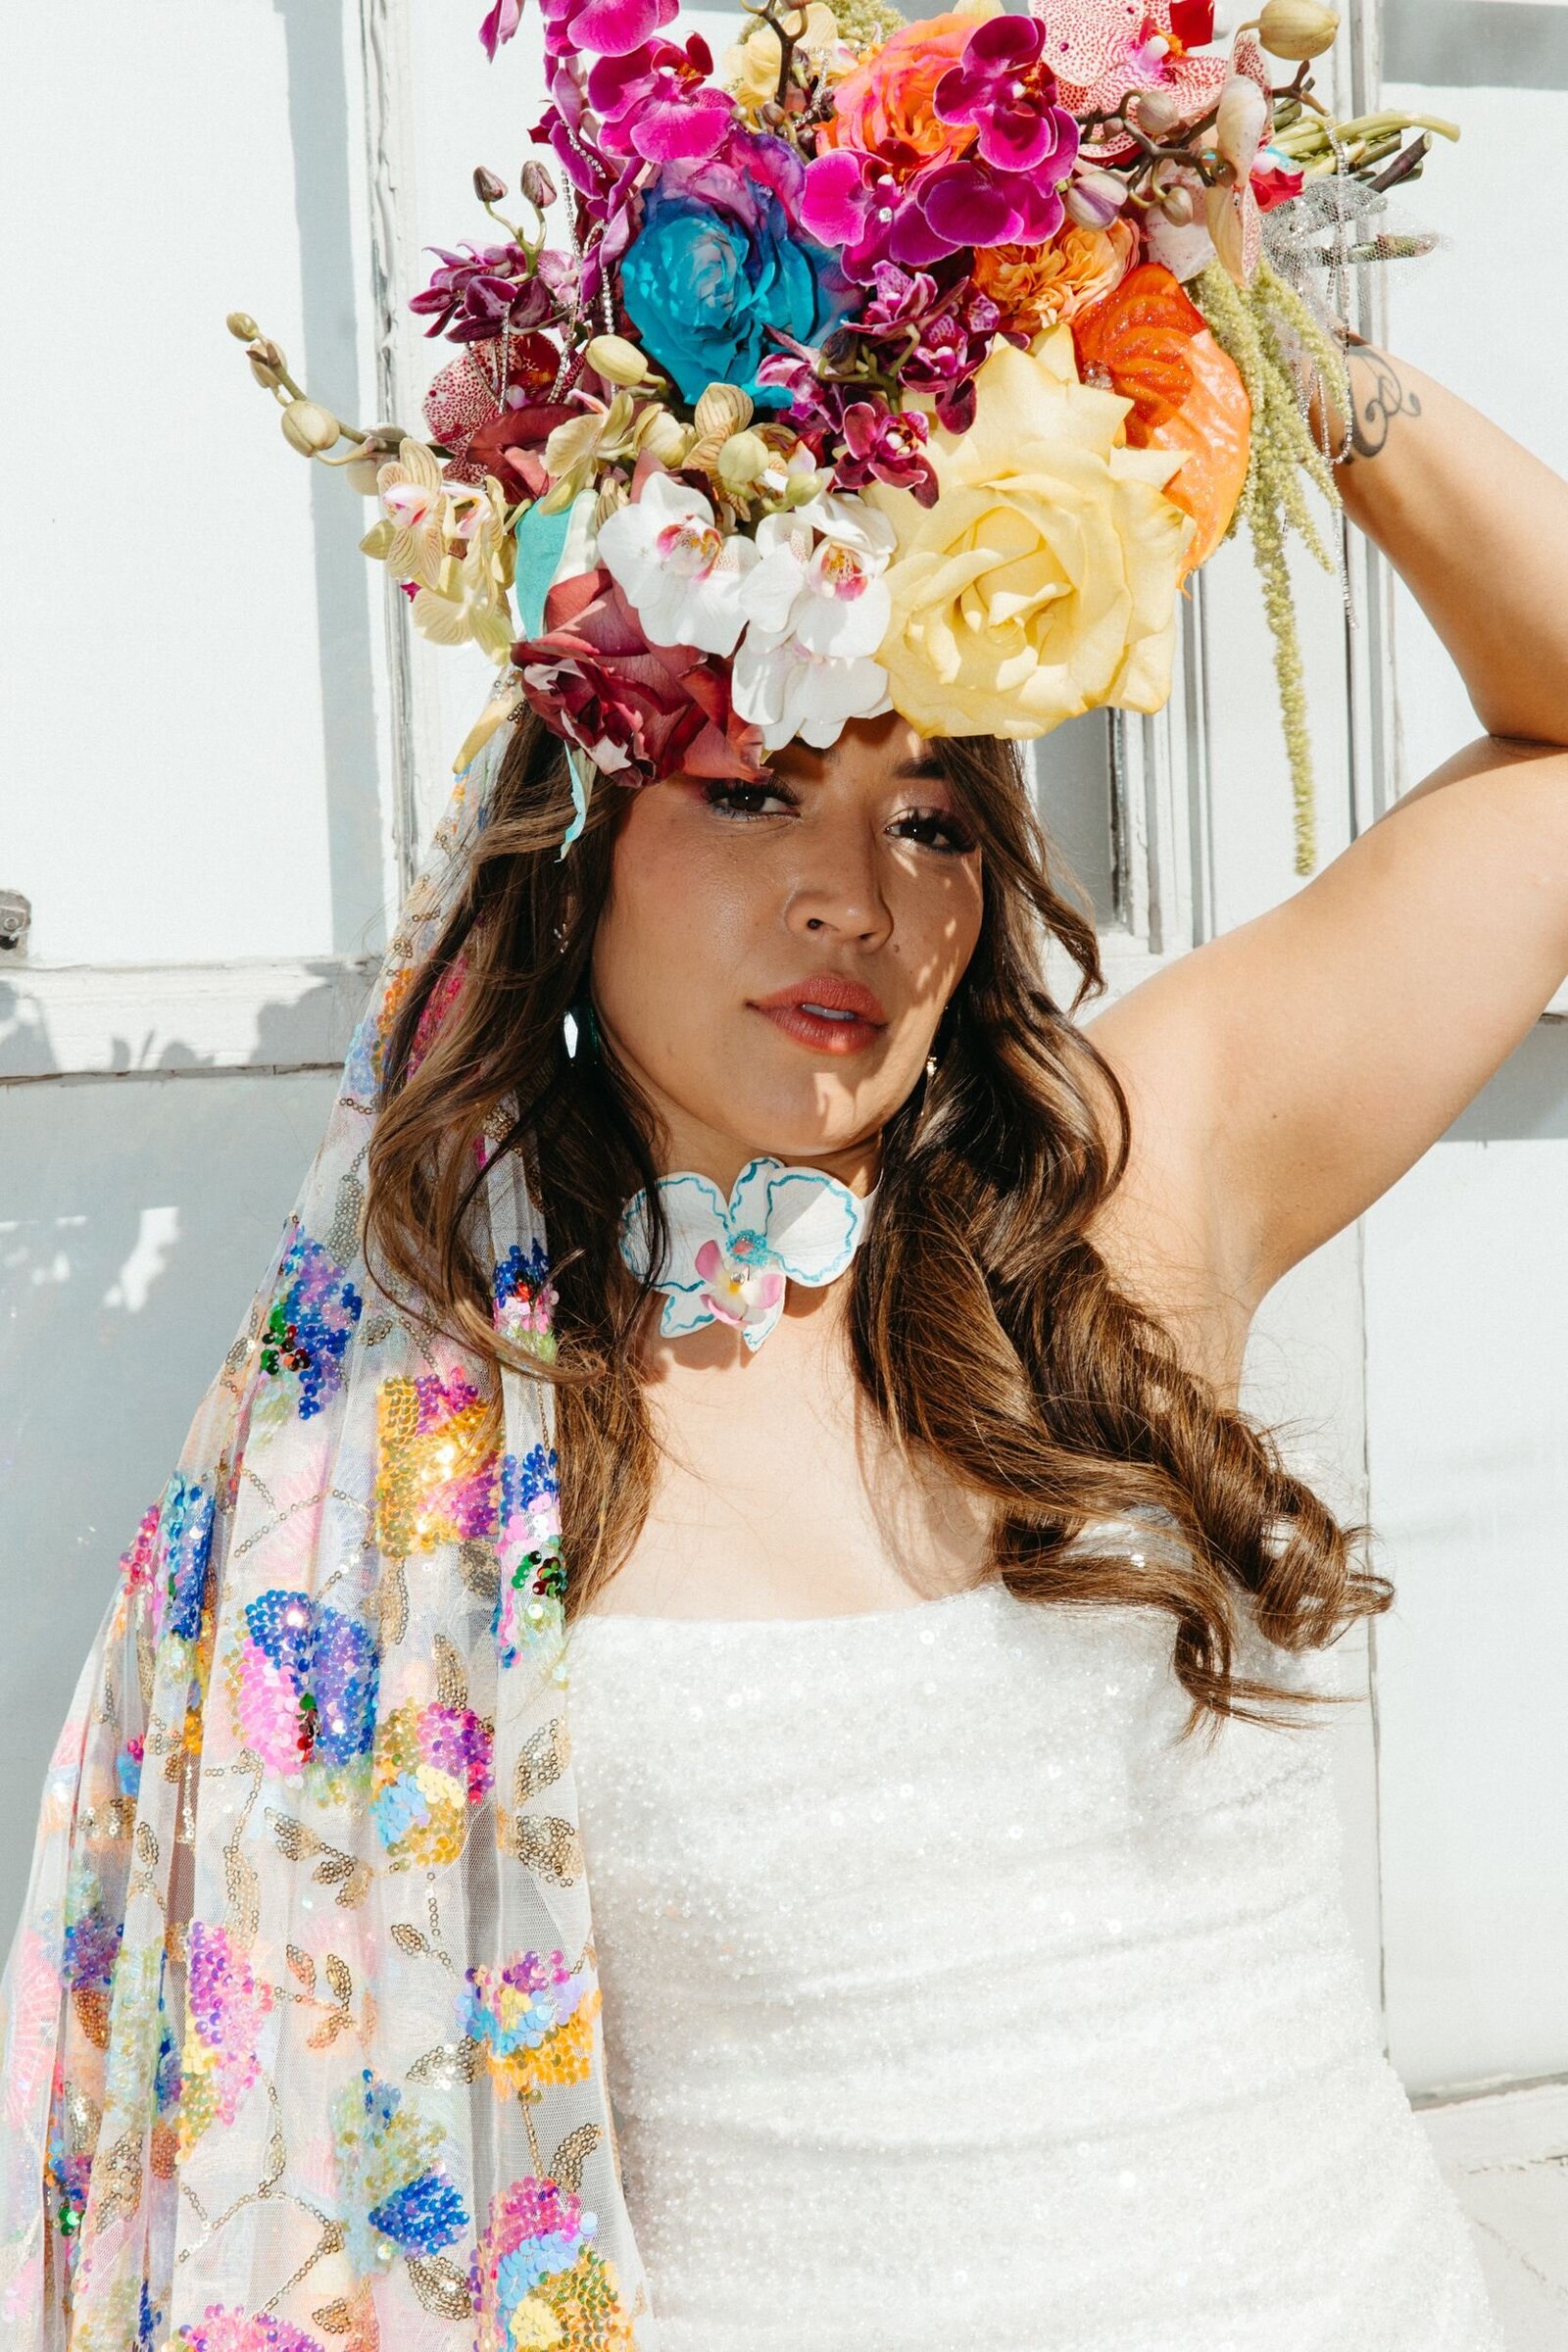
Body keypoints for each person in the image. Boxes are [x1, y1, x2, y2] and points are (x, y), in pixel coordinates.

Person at [2, 0, 1556, 2339]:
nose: (860, 898)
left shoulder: (1115, 1204)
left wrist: (1243, 324)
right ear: (575, 849)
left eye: (930, 817)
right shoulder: (409, 1440)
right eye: (752, 795)